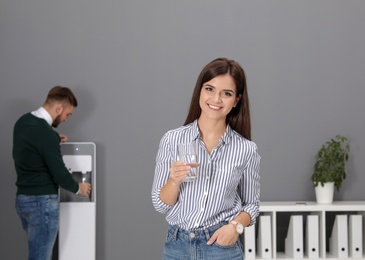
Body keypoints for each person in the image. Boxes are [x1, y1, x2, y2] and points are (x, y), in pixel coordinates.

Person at [152, 58, 261, 260]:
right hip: (178, 246)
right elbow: (161, 205)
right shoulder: (172, 140)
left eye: (226, 93)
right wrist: (174, 181)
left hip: (221, 247)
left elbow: (251, 205)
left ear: (236, 100)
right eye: (209, 89)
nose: (216, 99)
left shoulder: (246, 149)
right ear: (200, 92)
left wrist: (235, 227)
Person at [13, 86, 92, 260]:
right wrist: (80, 188)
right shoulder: (45, 134)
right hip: (42, 203)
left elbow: (33, 145)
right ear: (59, 108)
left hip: (23, 201)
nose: (65, 119)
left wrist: (54, 137)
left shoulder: (23, 122)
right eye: (67, 114)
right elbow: (59, 173)